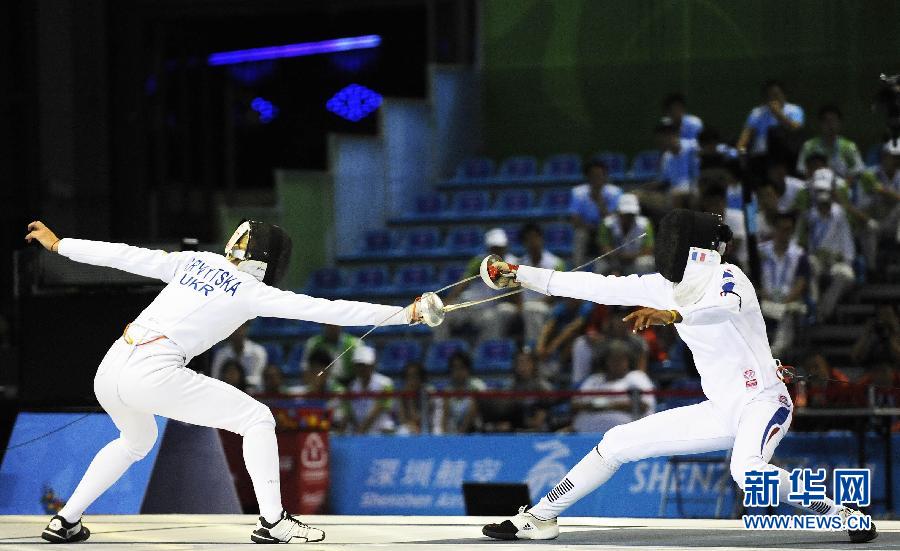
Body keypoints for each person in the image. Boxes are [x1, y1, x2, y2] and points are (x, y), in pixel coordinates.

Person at [26, 219, 435, 544]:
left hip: (112, 364)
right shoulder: (250, 291)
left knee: (136, 441)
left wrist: (61, 245)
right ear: (268, 259)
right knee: (256, 419)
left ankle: (66, 520)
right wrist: (404, 314)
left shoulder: (194, 260)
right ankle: (274, 522)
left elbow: (128, 256)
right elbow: (325, 308)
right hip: (152, 371)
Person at [477, 209, 875, 543]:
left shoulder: (729, 278)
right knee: (616, 442)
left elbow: (721, 308)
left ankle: (841, 513)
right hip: (720, 409)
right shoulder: (663, 287)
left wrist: (673, 315)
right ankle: (540, 518)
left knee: (747, 469)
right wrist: (520, 274)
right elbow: (593, 285)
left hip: (765, 400)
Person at [433, 228, 518, 341]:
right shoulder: (479, 261)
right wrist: (449, 300)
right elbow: (463, 282)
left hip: (488, 309)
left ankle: (484, 352)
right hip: (467, 304)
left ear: (505, 247)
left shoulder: (513, 263)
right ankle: (442, 349)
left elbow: (515, 291)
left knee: (490, 320)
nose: (496, 250)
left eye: (499, 247)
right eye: (494, 248)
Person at [798, 169, 856, 321]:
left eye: (824, 190)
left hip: (836, 260)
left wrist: (846, 259)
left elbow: (847, 239)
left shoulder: (840, 214)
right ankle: (813, 306)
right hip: (817, 259)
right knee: (809, 264)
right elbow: (801, 243)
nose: (821, 194)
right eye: (818, 190)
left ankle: (823, 311)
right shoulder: (809, 216)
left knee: (846, 275)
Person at [571, 341, 655, 433]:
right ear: (606, 361)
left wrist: (605, 405)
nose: (616, 363)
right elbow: (575, 404)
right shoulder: (594, 380)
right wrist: (597, 405)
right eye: (612, 359)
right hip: (585, 435)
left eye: (621, 359)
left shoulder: (636, 377)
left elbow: (643, 406)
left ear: (628, 361)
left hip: (625, 435)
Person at [758, 213, 810, 359]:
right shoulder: (761, 251)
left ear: (792, 231)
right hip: (765, 300)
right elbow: (752, 279)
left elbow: (801, 283)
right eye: (781, 229)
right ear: (774, 229)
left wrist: (785, 301)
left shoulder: (799, 255)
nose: (784, 233)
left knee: (787, 313)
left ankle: (774, 352)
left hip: (789, 301)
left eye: (788, 229)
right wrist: (765, 295)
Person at [518, 223, 566, 345]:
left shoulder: (556, 263)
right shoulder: (519, 264)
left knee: (533, 309)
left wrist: (542, 302)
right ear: (524, 243)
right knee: (503, 311)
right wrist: (520, 305)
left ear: (541, 239)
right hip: (525, 305)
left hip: (548, 304)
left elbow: (558, 292)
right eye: (528, 239)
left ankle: (533, 346)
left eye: (535, 238)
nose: (533, 242)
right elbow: (515, 291)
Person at [856, 141, 900, 272]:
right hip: (872, 219)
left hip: (894, 223)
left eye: (899, 157)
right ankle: (871, 270)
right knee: (868, 228)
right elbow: (861, 205)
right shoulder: (868, 175)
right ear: (884, 156)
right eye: (893, 156)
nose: (896, 160)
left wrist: (885, 193)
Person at [570, 159, 623, 267]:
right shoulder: (578, 192)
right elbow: (575, 219)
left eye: (600, 175)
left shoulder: (615, 192)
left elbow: (614, 219)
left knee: (613, 233)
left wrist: (599, 201)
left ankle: (614, 267)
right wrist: (591, 227)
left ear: (605, 176)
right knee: (580, 234)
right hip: (587, 229)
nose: (596, 179)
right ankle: (577, 268)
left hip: (607, 229)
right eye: (593, 175)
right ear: (587, 177)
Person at [736, 79, 804, 159]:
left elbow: (796, 129)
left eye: (776, 95)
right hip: (760, 156)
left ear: (783, 94)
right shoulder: (756, 112)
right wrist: (742, 153)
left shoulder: (795, 110)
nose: (772, 98)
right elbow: (743, 140)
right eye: (769, 95)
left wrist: (778, 114)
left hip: (786, 154)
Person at [796, 105, 864, 179]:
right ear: (820, 124)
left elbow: (860, 168)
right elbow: (801, 168)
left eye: (834, 121)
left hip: (842, 186)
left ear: (839, 123)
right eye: (826, 121)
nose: (830, 125)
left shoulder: (849, 146)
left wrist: (847, 181)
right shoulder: (809, 146)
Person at [596, 193, 655, 275]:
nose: (628, 217)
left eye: (631, 214)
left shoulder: (645, 224)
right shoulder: (607, 224)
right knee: (601, 264)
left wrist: (630, 257)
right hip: (613, 259)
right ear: (619, 212)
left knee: (646, 262)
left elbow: (648, 249)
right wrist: (617, 259)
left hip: (635, 259)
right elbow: (604, 247)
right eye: (625, 214)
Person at [535, 298, 593, 382]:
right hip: (559, 338)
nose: (570, 300)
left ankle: (558, 365)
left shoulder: (587, 306)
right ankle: (540, 366)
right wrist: (540, 346)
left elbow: (572, 328)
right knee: (544, 336)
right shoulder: (562, 306)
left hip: (579, 338)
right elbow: (548, 326)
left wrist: (552, 347)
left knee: (574, 337)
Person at [346, 345, 396, 435]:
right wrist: (358, 431)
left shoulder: (386, 384)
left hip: (381, 430)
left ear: (372, 365)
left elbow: (378, 409)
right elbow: (350, 413)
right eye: (359, 365)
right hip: (358, 430)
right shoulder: (351, 386)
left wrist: (361, 431)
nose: (362, 369)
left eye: (365, 365)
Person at [434, 350, 486, 434]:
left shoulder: (477, 386)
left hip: (474, 431)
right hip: (453, 432)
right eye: (455, 368)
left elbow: (477, 412)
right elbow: (444, 418)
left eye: (462, 367)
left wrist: (460, 436)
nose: (458, 372)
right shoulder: (447, 391)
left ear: (468, 369)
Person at [210, 322, 268, 390]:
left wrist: (238, 381)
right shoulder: (221, 354)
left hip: (253, 392)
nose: (238, 331)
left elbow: (257, 379)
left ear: (246, 328)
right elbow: (215, 378)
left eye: (241, 327)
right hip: (227, 391)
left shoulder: (258, 352)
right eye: (234, 328)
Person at [656, 117, 700, 208]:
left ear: (677, 133)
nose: (666, 138)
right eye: (663, 135)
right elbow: (664, 182)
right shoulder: (666, 156)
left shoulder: (693, 147)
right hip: (673, 193)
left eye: (670, 133)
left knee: (677, 195)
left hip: (696, 188)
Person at [396, 361, 434, 435]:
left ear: (421, 378)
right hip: (411, 427)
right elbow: (402, 419)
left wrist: (410, 398)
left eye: (415, 376)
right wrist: (411, 426)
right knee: (402, 431)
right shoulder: (402, 394)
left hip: (428, 427)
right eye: (409, 376)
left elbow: (420, 419)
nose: (412, 380)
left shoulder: (429, 392)